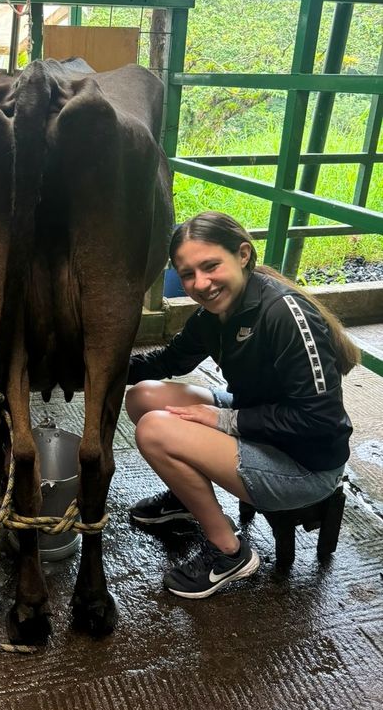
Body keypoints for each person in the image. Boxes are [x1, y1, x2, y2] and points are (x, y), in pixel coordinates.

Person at [126, 211, 358, 600]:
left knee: (154, 430)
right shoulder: (215, 315)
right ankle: (186, 498)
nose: (200, 283)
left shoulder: (283, 313)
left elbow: (320, 420)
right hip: (258, 420)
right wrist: (91, 365)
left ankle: (229, 552)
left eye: (210, 266)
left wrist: (225, 420)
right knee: (144, 396)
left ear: (243, 255)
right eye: (187, 274)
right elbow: (166, 363)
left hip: (305, 464)